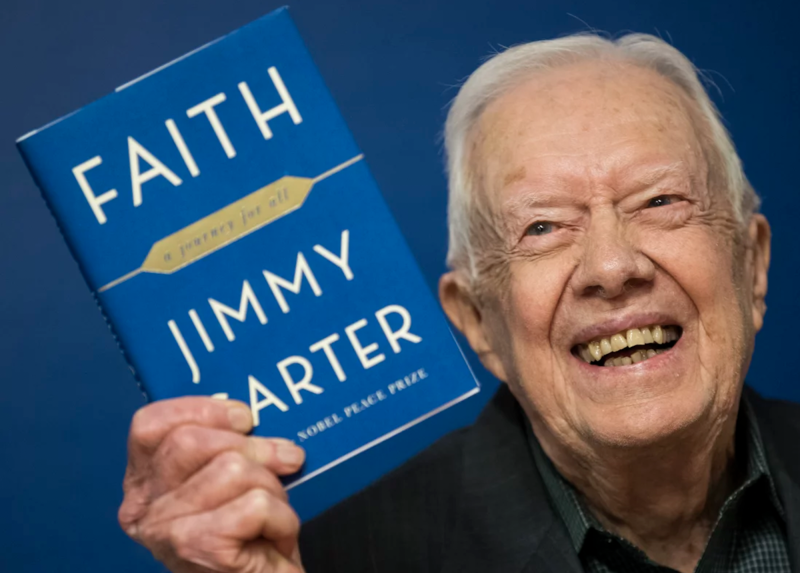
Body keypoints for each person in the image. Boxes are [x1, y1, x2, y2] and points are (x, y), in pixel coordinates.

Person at [117, 32, 800, 573]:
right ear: (478, 322)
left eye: (660, 201)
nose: (613, 266)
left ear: (752, 263)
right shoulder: (331, 562)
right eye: (542, 227)